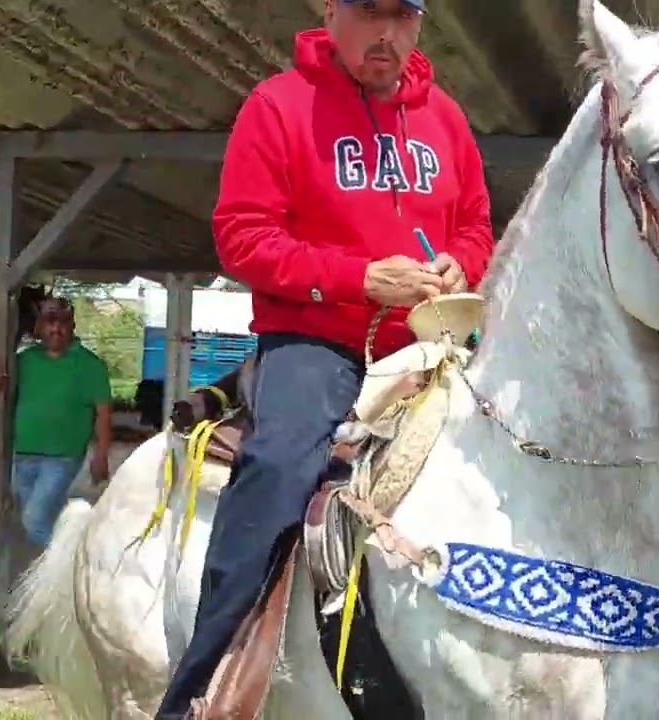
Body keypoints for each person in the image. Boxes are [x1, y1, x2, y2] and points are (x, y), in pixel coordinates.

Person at [155, 0, 495, 714]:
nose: (387, 34)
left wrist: (461, 265)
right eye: (369, 12)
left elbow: (474, 227)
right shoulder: (278, 107)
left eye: (403, 17)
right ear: (331, 13)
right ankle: (203, 684)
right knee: (278, 468)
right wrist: (361, 278)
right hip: (318, 342)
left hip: (432, 342)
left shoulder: (447, 119)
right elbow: (242, 238)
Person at [0, 297, 112, 546]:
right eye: (49, 322)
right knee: (49, 514)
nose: (56, 329)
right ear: (38, 328)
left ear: (72, 326)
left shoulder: (90, 365)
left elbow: (103, 412)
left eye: (62, 323)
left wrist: (101, 455)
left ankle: (68, 568)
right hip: (24, 453)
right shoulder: (23, 360)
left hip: (63, 456)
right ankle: (82, 539)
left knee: (34, 519)